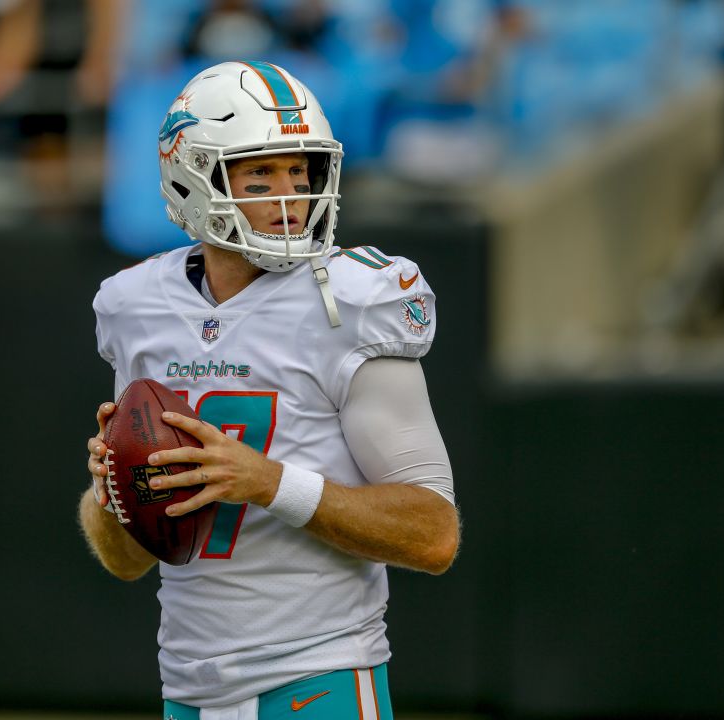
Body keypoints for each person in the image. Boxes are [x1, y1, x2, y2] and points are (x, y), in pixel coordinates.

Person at [78, 60, 459, 717]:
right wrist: (113, 491)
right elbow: (126, 562)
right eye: (261, 175)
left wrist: (270, 482)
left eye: (300, 172)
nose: (292, 199)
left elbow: (433, 534)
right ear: (192, 177)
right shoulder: (135, 304)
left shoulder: (355, 299)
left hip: (319, 682)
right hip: (188, 693)